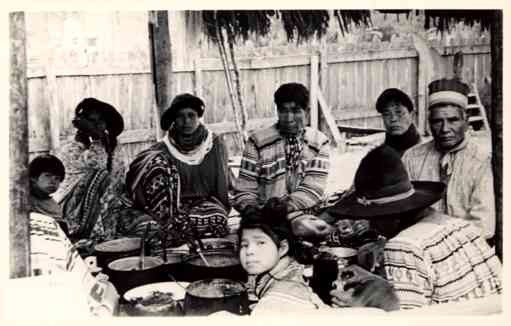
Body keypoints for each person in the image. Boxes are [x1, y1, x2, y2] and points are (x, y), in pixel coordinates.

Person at [327, 145, 502, 310]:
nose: (372, 225)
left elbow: (407, 319)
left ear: (392, 215)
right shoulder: (460, 226)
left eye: (373, 217)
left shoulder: (404, 246)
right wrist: (372, 280)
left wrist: (358, 307)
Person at [126, 93, 231, 248]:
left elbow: (221, 182)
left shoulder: (214, 144)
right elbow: (139, 169)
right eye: (180, 116)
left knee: (217, 218)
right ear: (174, 119)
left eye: (191, 115)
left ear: (199, 117)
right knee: (148, 227)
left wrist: (221, 206)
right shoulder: (163, 148)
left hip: (204, 203)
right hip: (171, 207)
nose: (186, 121)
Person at [233, 82, 333, 242]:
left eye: (295, 111)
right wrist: (250, 209)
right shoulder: (257, 141)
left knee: (309, 229)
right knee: (254, 237)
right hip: (261, 213)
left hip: (301, 211)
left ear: (306, 112)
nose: (288, 118)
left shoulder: (319, 142)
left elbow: (313, 187)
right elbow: (245, 186)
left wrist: (286, 207)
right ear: (277, 111)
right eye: (283, 111)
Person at [402, 78, 495, 240]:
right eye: (437, 121)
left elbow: (483, 225)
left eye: (453, 120)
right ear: (429, 124)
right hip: (419, 244)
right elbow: (403, 210)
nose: (445, 129)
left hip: (468, 248)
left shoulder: (481, 161)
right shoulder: (412, 158)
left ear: (466, 121)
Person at [53, 97, 126, 245]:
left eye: (100, 122)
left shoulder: (114, 146)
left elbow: (119, 178)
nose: (97, 126)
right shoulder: (71, 149)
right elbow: (98, 166)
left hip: (110, 208)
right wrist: (96, 138)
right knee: (100, 176)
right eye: (92, 122)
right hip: (77, 212)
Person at [238, 198, 327, 315]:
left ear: (283, 248)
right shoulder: (286, 269)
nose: (249, 251)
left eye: (261, 243)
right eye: (244, 245)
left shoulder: (276, 302)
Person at [376, 88, 421, 156]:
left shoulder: (423, 152)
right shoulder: (379, 154)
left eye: (399, 112)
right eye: (387, 114)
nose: (393, 119)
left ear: (412, 115)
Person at [29, 154, 66, 228]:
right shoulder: (24, 200)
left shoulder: (53, 205)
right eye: (48, 176)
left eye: (57, 178)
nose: (53, 182)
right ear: (34, 177)